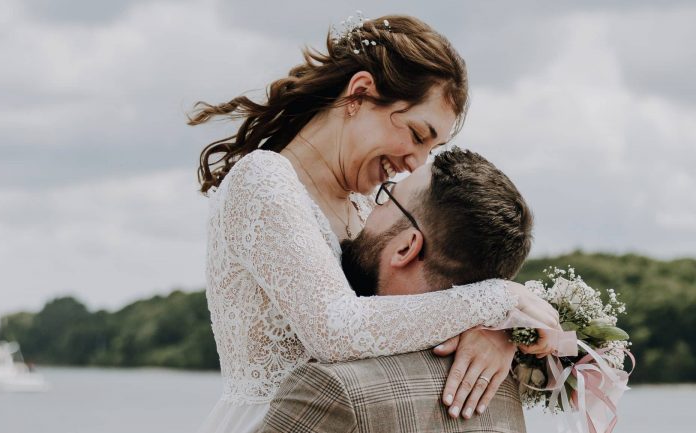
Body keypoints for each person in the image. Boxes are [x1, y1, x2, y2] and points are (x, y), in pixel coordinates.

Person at [189, 14, 558, 433]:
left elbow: (406, 313)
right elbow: (337, 329)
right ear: (359, 94)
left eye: (433, 147)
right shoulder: (264, 178)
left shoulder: (369, 208)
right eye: (418, 134)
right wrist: (494, 301)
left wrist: (494, 333)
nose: (417, 162)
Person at [257, 147, 538, 433]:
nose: (366, 208)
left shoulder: (334, 389)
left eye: (387, 197)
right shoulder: (505, 384)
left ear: (406, 247)